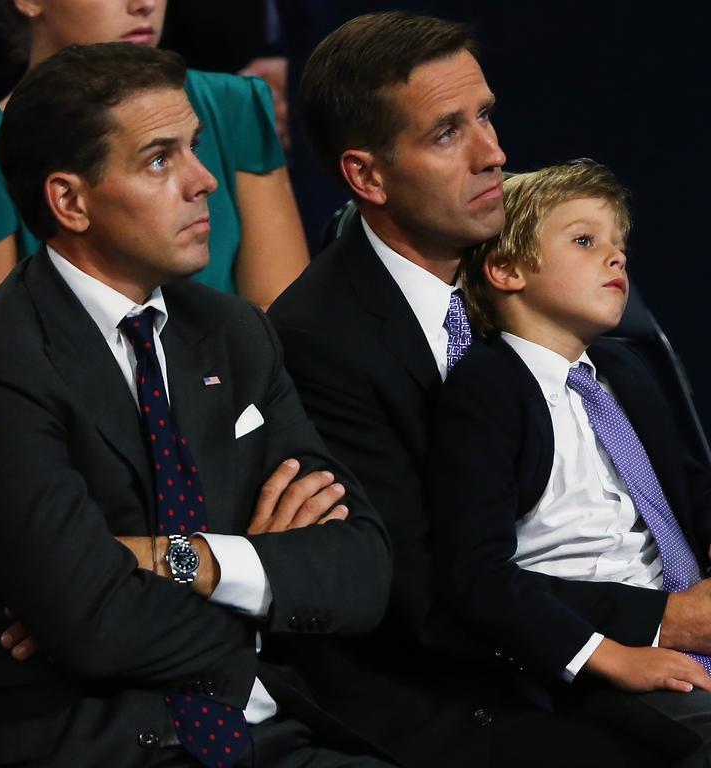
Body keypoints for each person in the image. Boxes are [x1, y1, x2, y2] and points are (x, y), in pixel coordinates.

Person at [0, 43, 394, 767]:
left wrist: (181, 560)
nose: (205, 182)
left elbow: (361, 569)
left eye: (195, 149)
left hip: (264, 736)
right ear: (69, 200)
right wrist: (260, 604)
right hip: (84, 742)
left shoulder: (233, 333)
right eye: (161, 160)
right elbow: (92, 622)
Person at [268, 12, 665, 766]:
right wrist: (660, 620)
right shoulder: (318, 343)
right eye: (448, 133)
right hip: (459, 690)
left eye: (484, 115)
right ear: (367, 175)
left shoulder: (542, 260)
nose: (496, 154)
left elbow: (661, 453)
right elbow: (419, 591)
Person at [429, 160, 711, 767]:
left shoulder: (628, 374)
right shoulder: (487, 390)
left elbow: (691, 491)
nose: (617, 258)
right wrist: (611, 652)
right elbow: (475, 573)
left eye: (619, 245)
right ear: (504, 269)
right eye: (585, 241)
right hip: (599, 660)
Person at [0, 0, 308, 307]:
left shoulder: (230, 104)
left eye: (193, 146)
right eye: (159, 159)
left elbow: (281, 313)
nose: (144, 5)